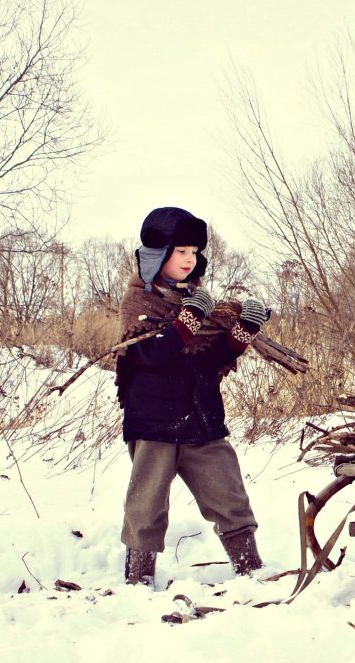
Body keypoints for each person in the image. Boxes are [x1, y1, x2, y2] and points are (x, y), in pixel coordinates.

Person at [114, 206, 268, 586]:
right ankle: (138, 581)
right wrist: (186, 322)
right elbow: (150, 356)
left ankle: (251, 572)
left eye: (194, 252)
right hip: (153, 420)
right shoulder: (139, 302)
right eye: (179, 250)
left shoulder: (201, 303)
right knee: (146, 507)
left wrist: (242, 332)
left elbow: (210, 362)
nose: (189, 258)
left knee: (229, 495)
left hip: (201, 417)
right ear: (157, 255)